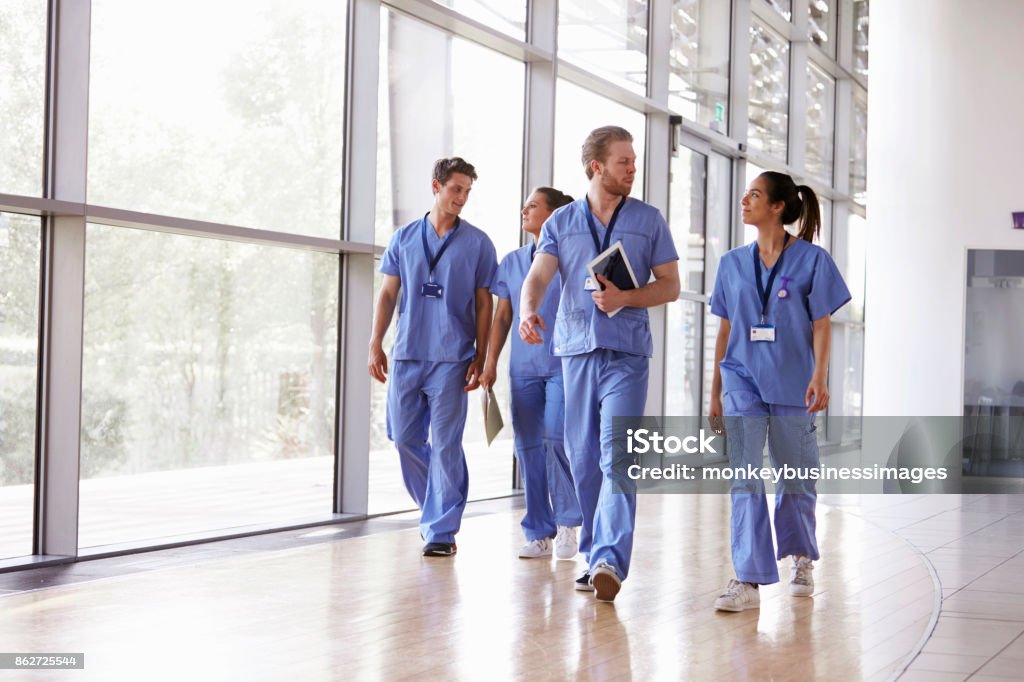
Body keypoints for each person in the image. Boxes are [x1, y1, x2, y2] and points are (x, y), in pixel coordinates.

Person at [519, 126, 680, 602]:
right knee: (584, 459)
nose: (633, 169)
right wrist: (529, 310)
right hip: (575, 353)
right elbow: (538, 276)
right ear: (597, 167)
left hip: (627, 354)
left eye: (633, 161)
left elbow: (669, 284)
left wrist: (626, 297)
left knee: (618, 456)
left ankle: (610, 556)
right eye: (624, 162)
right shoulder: (561, 222)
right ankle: (593, 554)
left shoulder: (649, 220)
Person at [707, 171, 851, 612]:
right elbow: (726, 328)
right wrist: (715, 391)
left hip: (793, 380)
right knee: (745, 475)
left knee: (795, 474)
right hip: (742, 380)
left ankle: (802, 555)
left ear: (777, 207)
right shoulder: (731, 263)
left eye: (754, 194)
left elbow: (822, 322)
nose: (744, 199)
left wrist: (820, 376)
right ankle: (747, 579)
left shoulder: (813, 260)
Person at [368, 157, 497, 558]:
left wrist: (481, 353)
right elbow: (389, 293)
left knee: (445, 444)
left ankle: (441, 529)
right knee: (404, 438)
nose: (462, 198)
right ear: (436, 187)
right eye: (456, 189)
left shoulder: (478, 243)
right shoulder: (404, 238)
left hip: (453, 357)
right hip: (407, 353)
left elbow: (483, 303)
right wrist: (376, 342)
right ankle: (434, 509)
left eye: (467, 191)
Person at [480, 187, 583, 561]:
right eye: (525, 204)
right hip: (522, 369)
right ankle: (539, 530)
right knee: (527, 449)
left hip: (563, 364)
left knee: (556, 438)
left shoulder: (571, 259)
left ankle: (570, 521)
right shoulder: (511, 262)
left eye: (534, 205)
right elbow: (503, 316)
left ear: (555, 214)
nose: (525, 209)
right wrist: (490, 363)